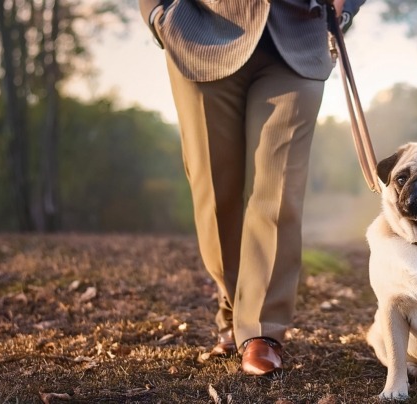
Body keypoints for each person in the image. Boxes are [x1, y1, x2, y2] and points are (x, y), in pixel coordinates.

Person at [137, 0, 366, 376]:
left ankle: (262, 331)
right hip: (200, 31)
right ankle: (232, 312)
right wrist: (159, 14)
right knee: (215, 191)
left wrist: (343, 8)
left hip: (299, 35)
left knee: (278, 190)